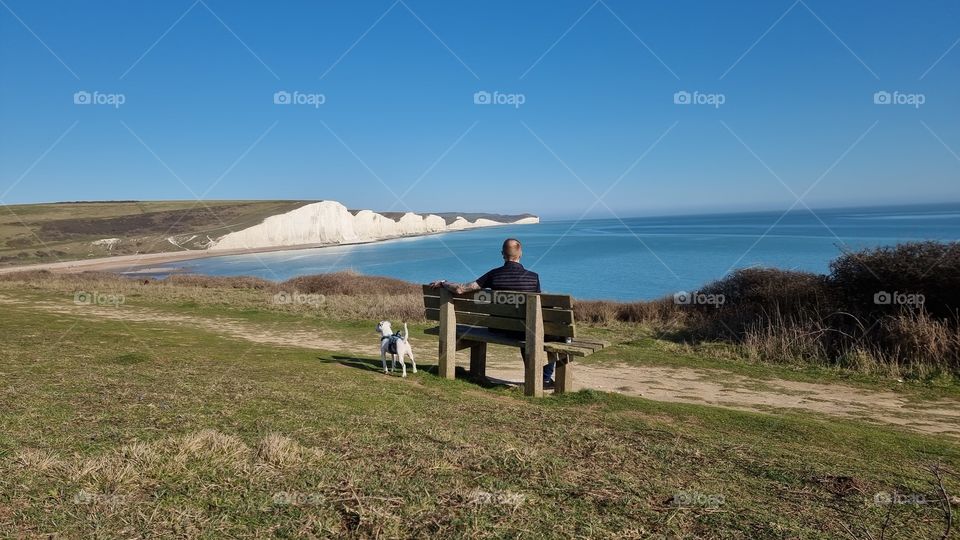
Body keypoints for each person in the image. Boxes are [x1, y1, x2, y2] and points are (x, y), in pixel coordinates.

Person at [429, 238, 558, 388]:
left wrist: (444, 283)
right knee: (553, 335)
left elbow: (461, 289)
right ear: (520, 253)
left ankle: (542, 378)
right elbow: (538, 309)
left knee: (526, 331)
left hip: (498, 328)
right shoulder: (533, 277)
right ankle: (545, 378)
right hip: (524, 329)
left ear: (502, 254)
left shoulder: (493, 275)